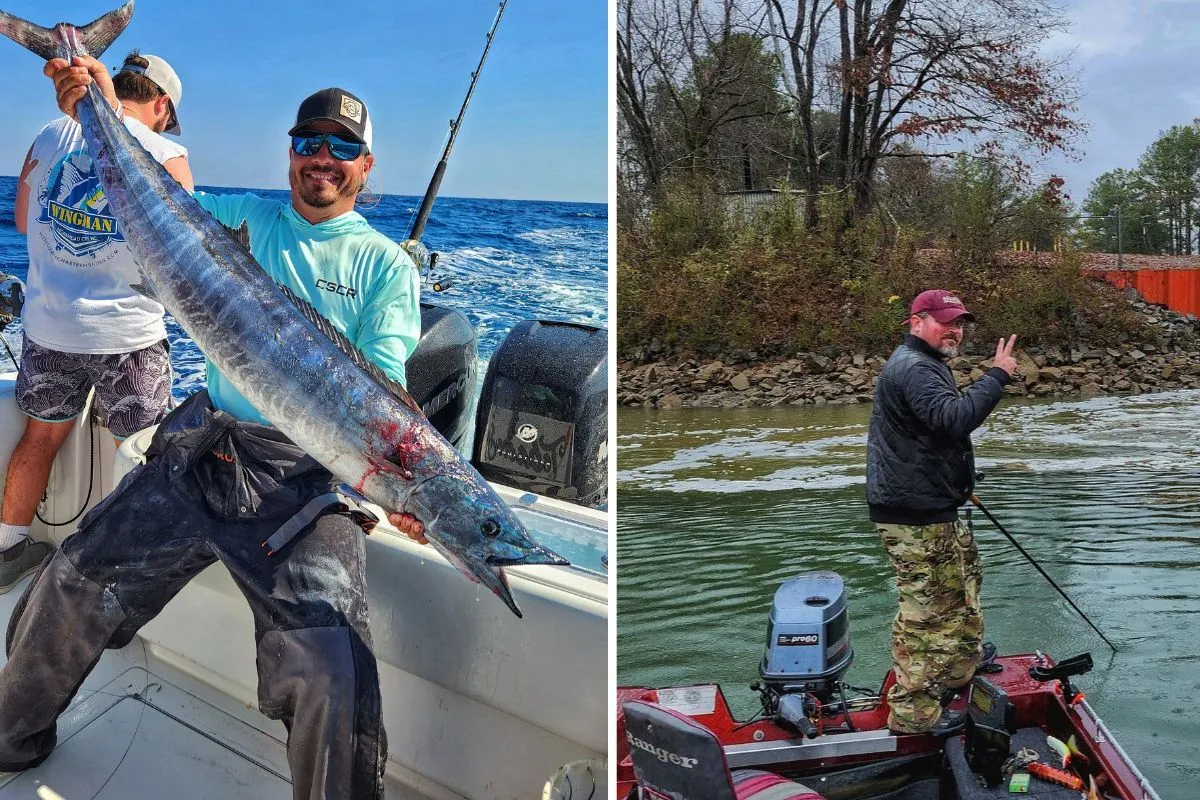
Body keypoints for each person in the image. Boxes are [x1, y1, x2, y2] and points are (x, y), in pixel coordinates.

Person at [0, 56, 428, 800]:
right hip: (204, 448)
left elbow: (381, 396)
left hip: (307, 481)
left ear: (366, 164)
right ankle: (11, 736)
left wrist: (403, 488)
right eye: (308, 142)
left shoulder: (386, 267)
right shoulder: (242, 218)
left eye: (341, 148)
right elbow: (138, 192)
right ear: (291, 153)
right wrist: (95, 107)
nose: (321, 159)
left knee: (333, 666)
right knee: (66, 580)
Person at [0, 52, 194, 592]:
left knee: (40, 438)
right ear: (161, 105)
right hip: (128, 337)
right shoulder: (168, 154)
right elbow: (179, 258)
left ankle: (5, 547)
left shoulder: (49, 134)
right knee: (136, 453)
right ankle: (115, 576)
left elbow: (21, 219)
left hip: (48, 329)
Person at [865, 289, 1017, 737]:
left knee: (963, 586)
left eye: (960, 322)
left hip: (933, 504)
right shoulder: (916, 368)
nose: (955, 330)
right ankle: (914, 716)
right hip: (915, 516)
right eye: (945, 321)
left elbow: (930, 434)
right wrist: (997, 375)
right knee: (928, 613)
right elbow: (953, 419)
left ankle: (959, 667)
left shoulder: (925, 364)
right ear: (916, 322)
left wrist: (953, 486)